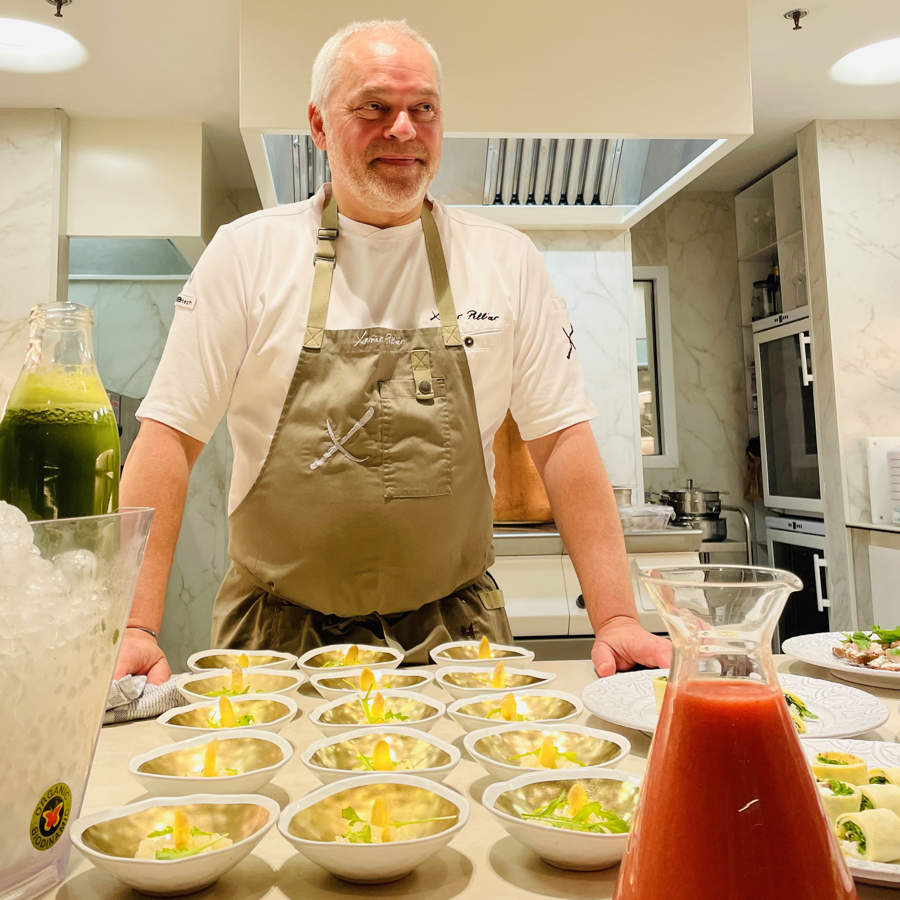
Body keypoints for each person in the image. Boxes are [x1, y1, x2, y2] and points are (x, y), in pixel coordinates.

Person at [115, 19, 671, 684]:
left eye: (423, 109)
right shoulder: (246, 254)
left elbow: (563, 442)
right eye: (374, 107)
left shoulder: (505, 260)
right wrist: (132, 625)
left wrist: (616, 618)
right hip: (273, 642)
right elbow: (169, 439)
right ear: (319, 126)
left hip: (457, 641)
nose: (404, 130)